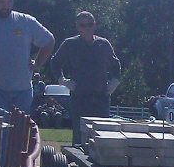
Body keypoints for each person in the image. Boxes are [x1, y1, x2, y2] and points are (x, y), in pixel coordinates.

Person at [50, 11, 121, 144]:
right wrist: (63, 80)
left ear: (95, 26)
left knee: (101, 134)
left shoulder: (103, 44)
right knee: (80, 134)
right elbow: (55, 62)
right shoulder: (70, 44)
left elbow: (116, 65)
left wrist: (114, 81)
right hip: (80, 98)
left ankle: (100, 163)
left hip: (101, 98)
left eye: (90, 24)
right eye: (83, 25)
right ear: (77, 27)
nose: (87, 28)